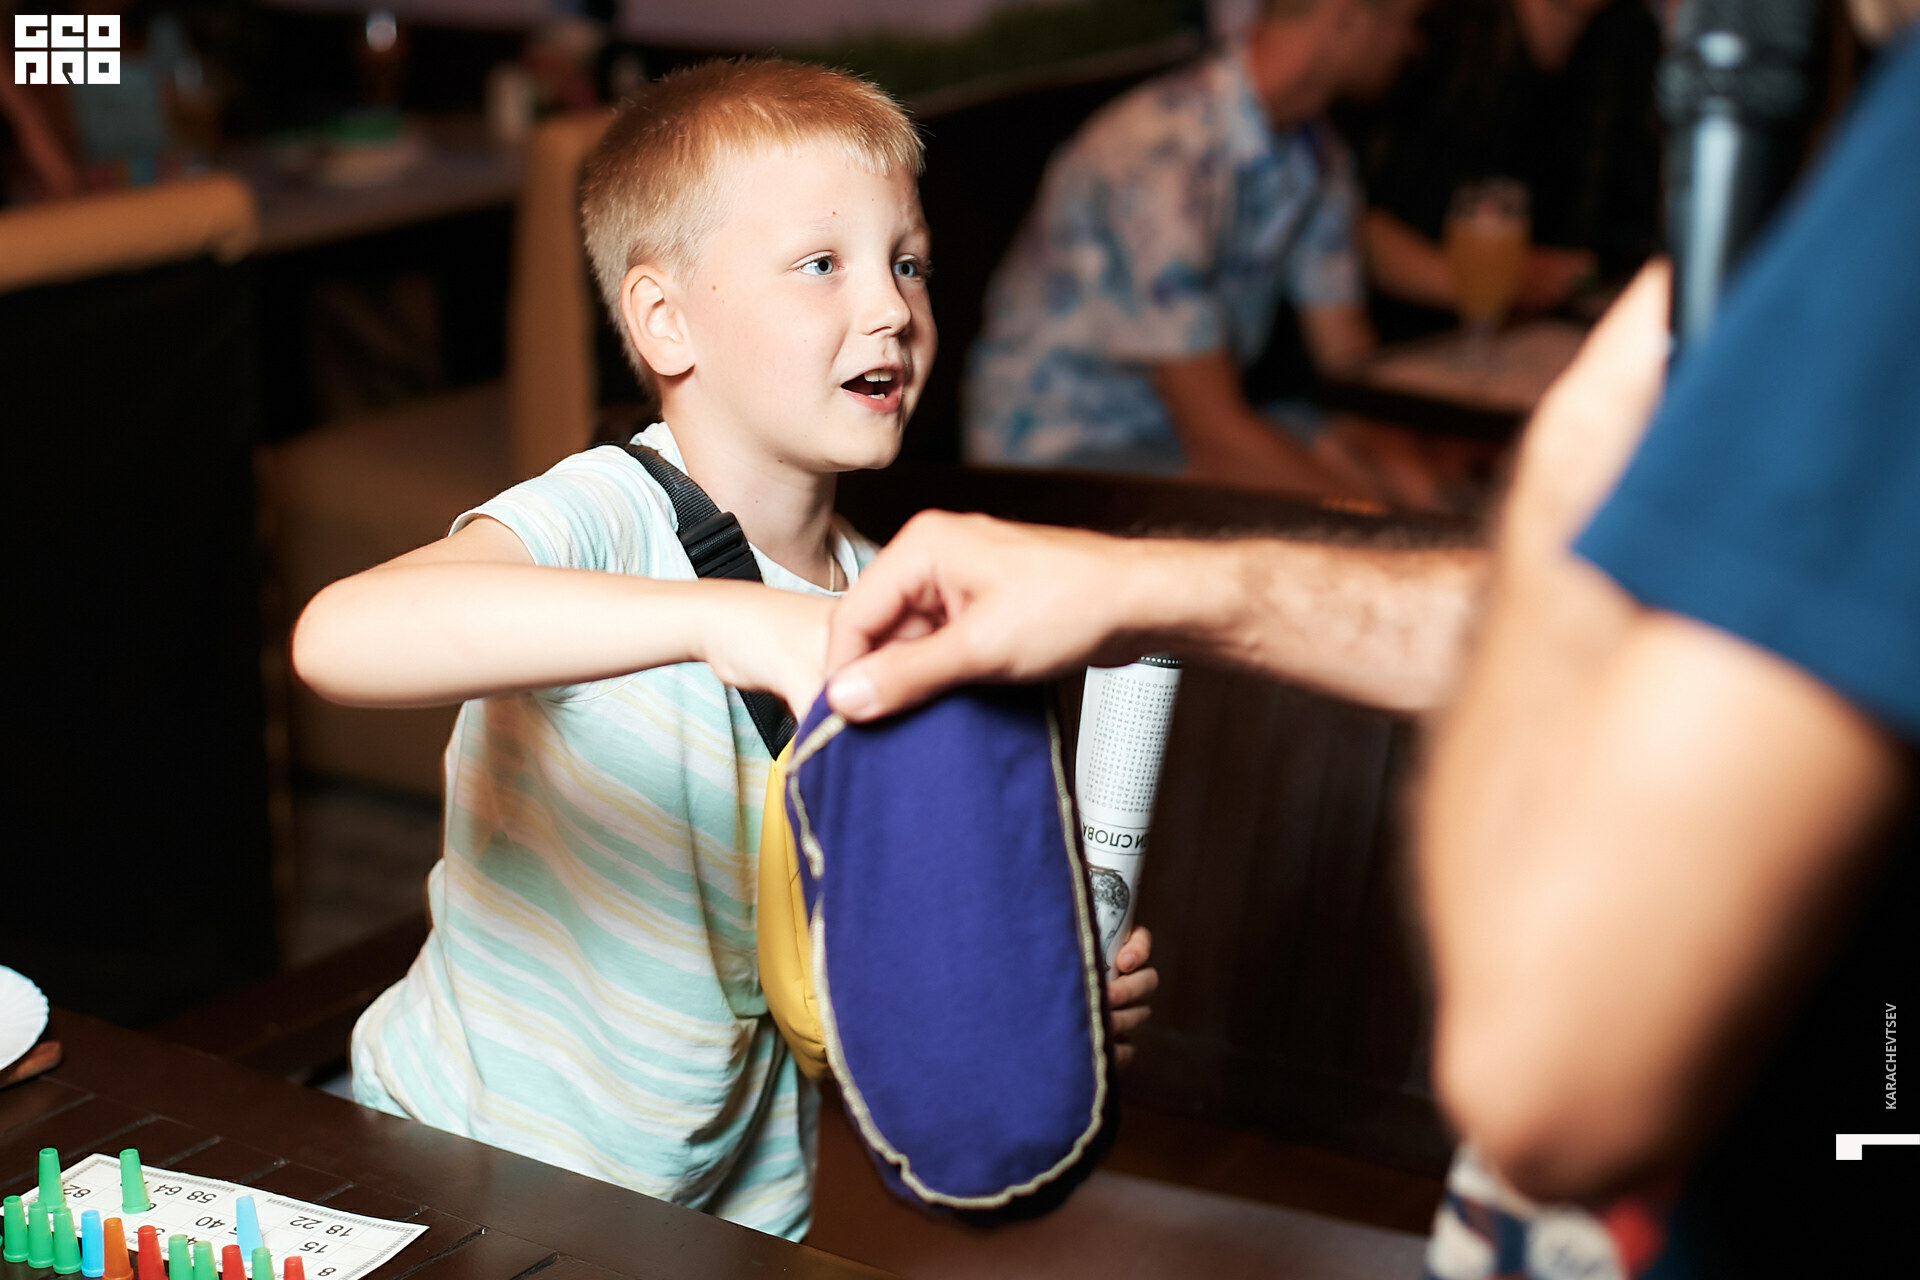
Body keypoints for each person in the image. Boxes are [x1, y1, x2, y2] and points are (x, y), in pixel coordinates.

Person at [826, 0, 1920, 1265]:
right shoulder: (1161, 146)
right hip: (1070, 460)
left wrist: (1552, 501)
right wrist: (1147, 576)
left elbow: (1538, 1081)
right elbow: (1224, 425)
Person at [291, 59, 1155, 1242]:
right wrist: (719, 616)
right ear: (665, 320)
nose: (892, 307)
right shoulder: (608, 515)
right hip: (460, 1161)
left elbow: (862, 952)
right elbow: (339, 636)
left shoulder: (898, 598)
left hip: (726, 1211)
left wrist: (1032, 1004)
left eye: (908, 262)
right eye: (823, 263)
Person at [961, 0, 1469, 510]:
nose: (1413, 45)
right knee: (1334, 519)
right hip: (1059, 454)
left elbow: (1351, 374)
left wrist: (1430, 496)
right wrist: (1396, 529)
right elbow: (1215, 436)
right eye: (1407, 22)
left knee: (1384, 466)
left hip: (1180, 431)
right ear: (1347, 20)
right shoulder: (1157, 159)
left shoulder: (1315, 151)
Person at [1336, 0, 1662, 340]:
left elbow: (1630, 240)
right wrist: (1493, 283)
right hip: (1413, 339)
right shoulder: (1440, 28)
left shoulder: (1630, 36)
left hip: (1565, 340)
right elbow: (1345, 215)